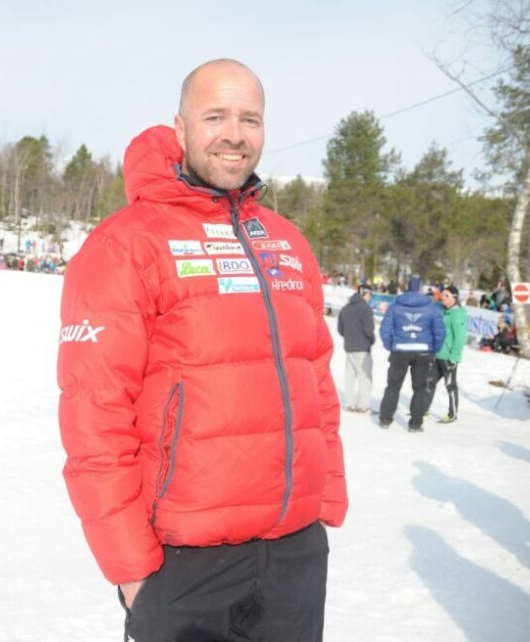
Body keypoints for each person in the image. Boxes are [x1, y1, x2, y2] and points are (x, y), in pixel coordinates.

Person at [57, 59, 347, 642]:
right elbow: (95, 415)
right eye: (215, 116)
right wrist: (132, 568)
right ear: (181, 126)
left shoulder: (287, 241)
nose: (235, 133)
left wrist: (324, 503)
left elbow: (315, 379)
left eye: (250, 118)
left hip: (292, 556)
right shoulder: (127, 243)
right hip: (182, 563)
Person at [377, 276, 446, 432]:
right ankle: (415, 424)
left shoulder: (395, 306)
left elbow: (385, 329)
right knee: (420, 389)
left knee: (393, 386)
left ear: (408, 287)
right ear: (421, 289)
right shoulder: (431, 307)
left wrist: (391, 346)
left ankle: (385, 419)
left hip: (400, 350)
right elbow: (440, 332)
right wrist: (433, 349)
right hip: (422, 351)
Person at [426, 285, 467, 423]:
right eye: (443, 295)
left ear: (454, 298)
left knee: (450, 385)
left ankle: (452, 414)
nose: (443, 297)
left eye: (447, 295)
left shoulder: (457, 314)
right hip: (436, 354)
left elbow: (460, 338)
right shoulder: (441, 310)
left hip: (448, 357)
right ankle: (424, 408)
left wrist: (454, 357)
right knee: (428, 382)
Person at [337, 285, 376, 412]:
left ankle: (349, 403)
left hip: (349, 347)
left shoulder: (345, 309)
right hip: (363, 347)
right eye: (369, 294)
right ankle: (363, 404)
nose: (370, 297)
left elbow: (340, 329)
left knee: (350, 375)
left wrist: (349, 337)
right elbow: (368, 329)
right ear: (364, 293)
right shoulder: (366, 309)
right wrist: (371, 340)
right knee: (365, 376)